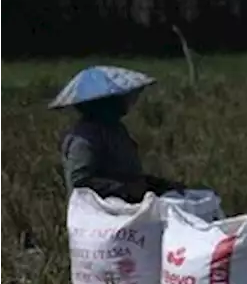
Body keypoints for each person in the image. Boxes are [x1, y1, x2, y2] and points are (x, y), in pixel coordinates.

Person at [50, 66, 184, 202]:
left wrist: (157, 185)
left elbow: (127, 174)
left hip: (123, 207)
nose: (129, 102)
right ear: (106, 102)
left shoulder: (116, 129)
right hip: (98, 214)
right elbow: (81, 183)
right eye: (122, 98)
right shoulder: (85, 138)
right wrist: (125, 189)